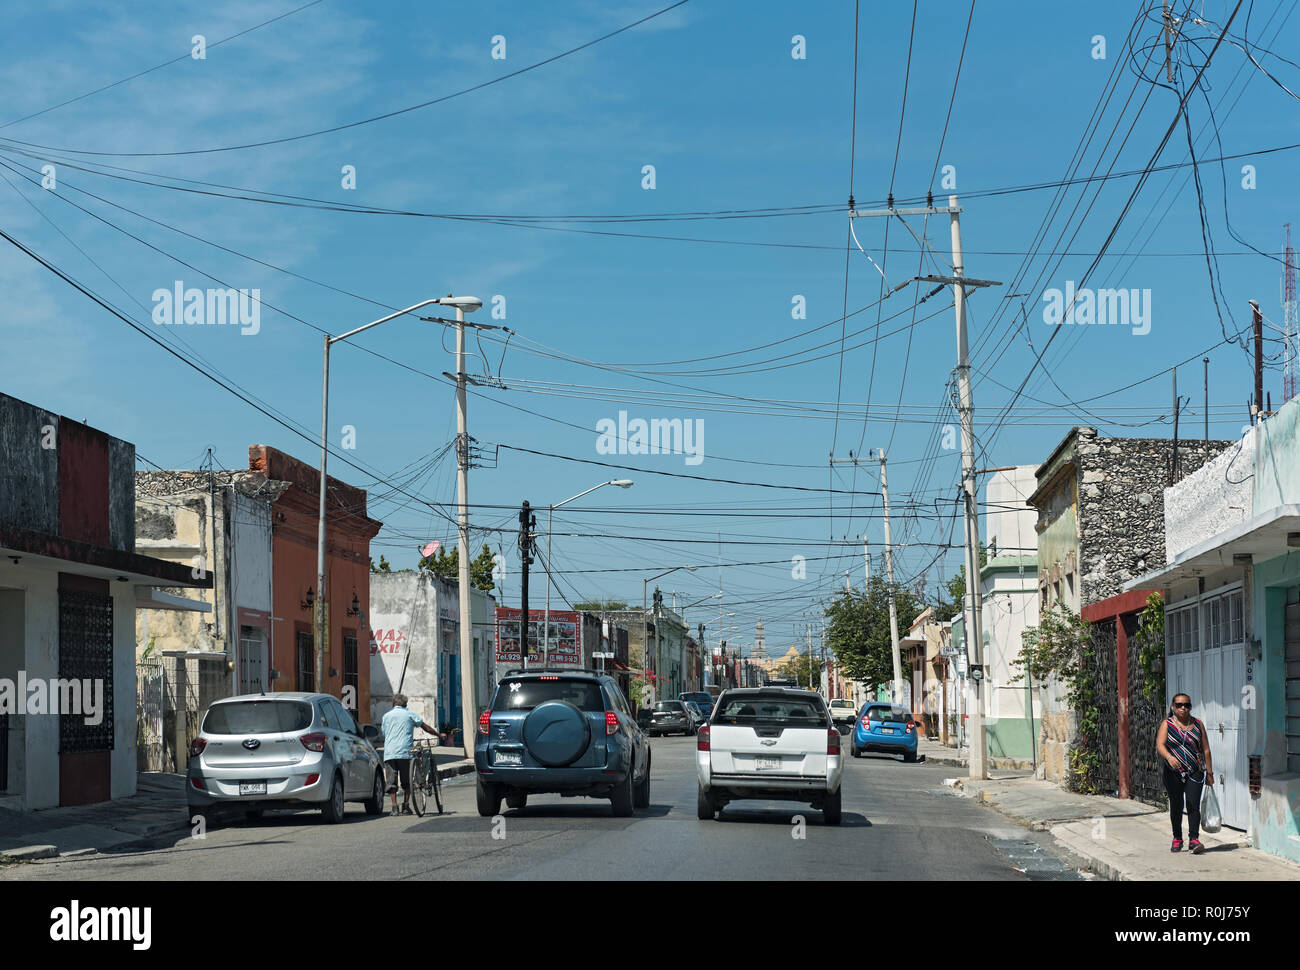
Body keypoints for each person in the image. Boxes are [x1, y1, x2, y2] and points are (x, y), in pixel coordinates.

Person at [1155, 692, 1215, 854]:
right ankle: (1177, 838)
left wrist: (1209, 773)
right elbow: (1160, 745)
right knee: (1176, 804)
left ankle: (1194, 839)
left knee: (1192, 803)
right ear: (1173, 707)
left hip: (1195, 771)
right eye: (1179, 705)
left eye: (1187, 705)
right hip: (1173, 771)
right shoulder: (1167, 724)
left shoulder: (1197, 724)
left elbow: (1206, 750)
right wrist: (1169, 756)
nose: (1183, 708)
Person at [381, 694, 437, 816]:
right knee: (407, 781)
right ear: (405, 705)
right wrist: (438, 735)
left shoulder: (386, 716)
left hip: (390, 752)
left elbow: (384, 733)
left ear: (393, 704)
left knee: (391, 781)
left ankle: (394, 807)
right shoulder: (409, 714)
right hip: (405, 752)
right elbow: (425, 727)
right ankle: (406, 806)